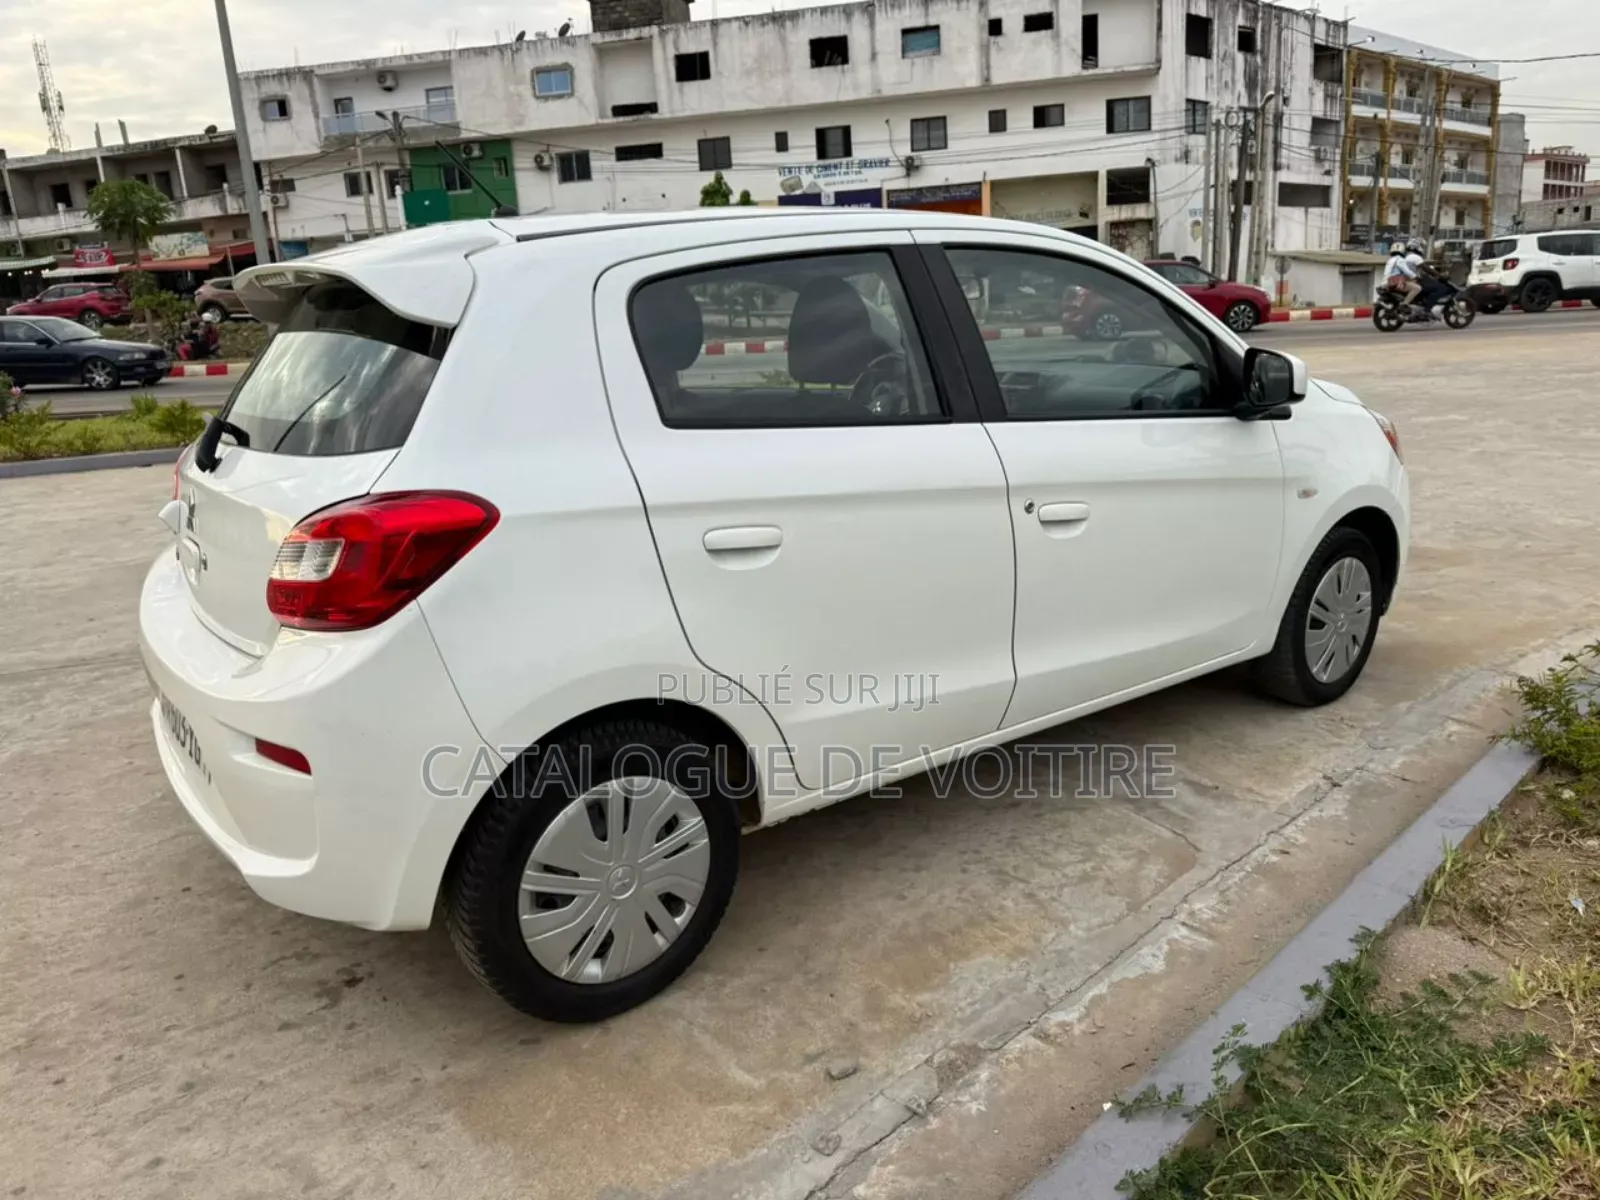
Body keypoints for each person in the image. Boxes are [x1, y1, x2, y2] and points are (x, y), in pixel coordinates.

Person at [1383, 242, 1422, 311]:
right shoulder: (1400, 260)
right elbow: (1406, 271)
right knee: (1417, 288)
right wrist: (1415, 277)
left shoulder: (1390, 260)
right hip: (1395, 282)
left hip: (1387, 282)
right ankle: (1404, 304)